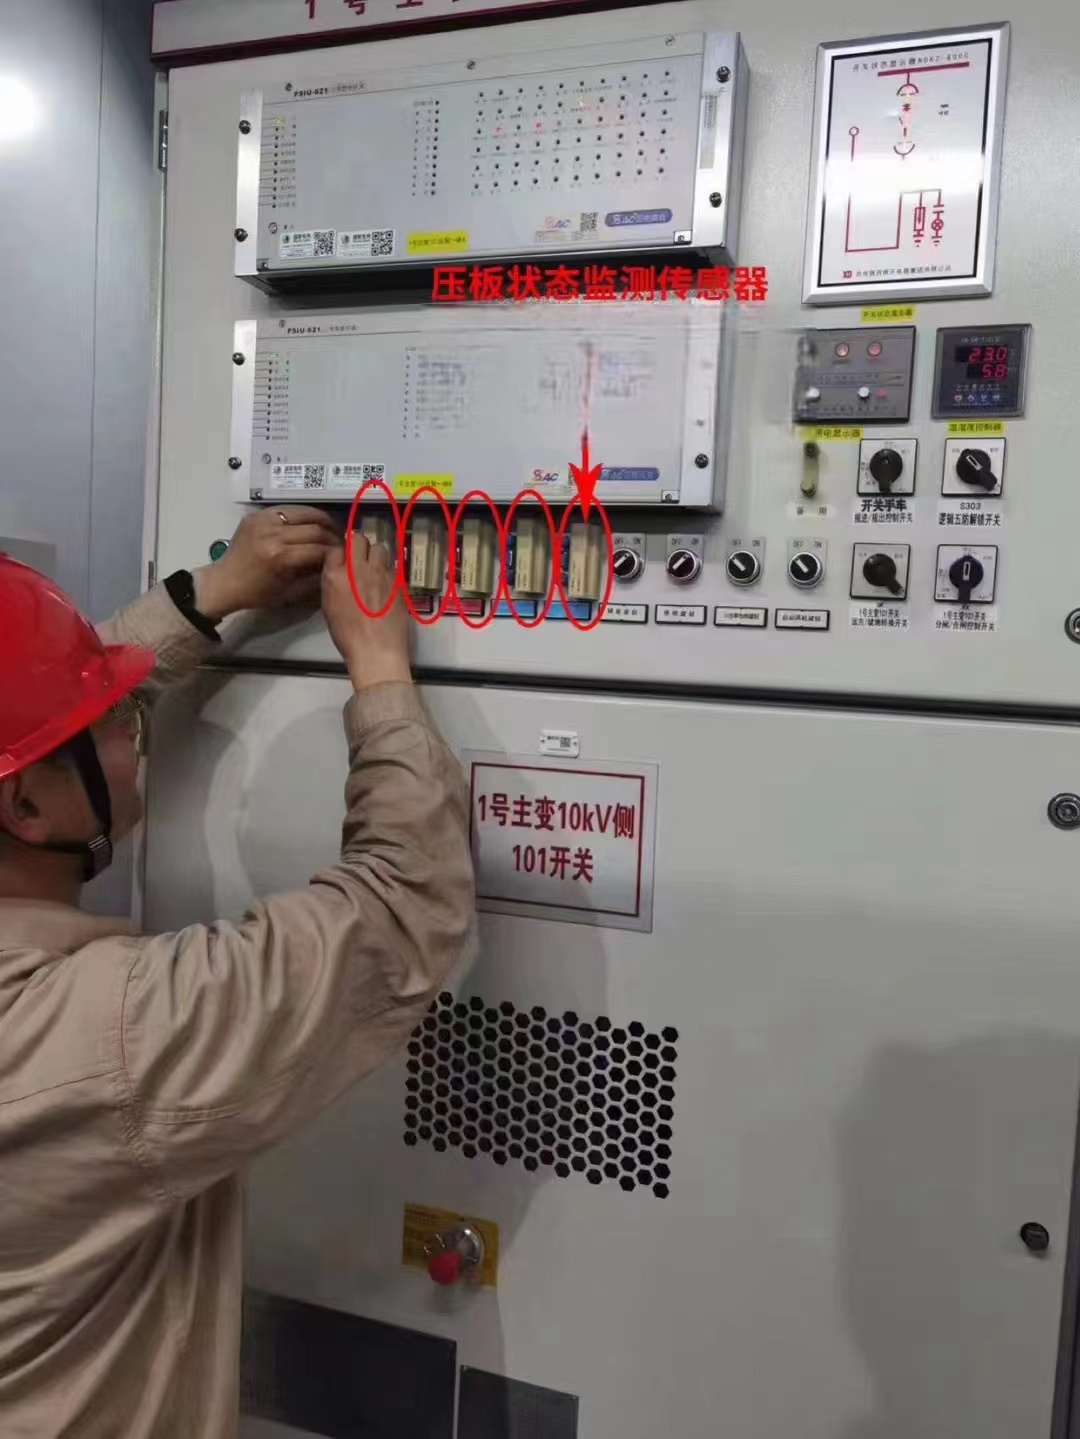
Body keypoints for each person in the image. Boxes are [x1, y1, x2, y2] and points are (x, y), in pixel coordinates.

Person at [0, 508, 475, 1437]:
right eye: (109, 719)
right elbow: (400, 904)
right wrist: (381, 670)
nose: (130, 725)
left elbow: (35, 723)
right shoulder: (109, 1031)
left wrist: (211, 593)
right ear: (23, 808)